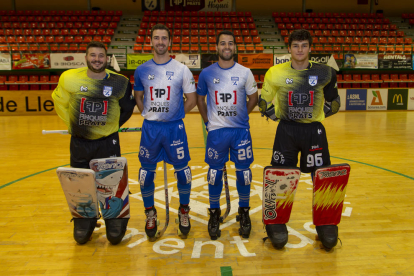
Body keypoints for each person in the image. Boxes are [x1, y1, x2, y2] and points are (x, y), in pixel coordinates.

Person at [259, 29, 341, 250]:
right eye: (296, 46)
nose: (300, 50)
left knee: (322, 177)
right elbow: (263, 102)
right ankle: (276, 222)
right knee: (280, 177)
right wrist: (284, 118)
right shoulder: (275, 72)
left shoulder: (326, 72)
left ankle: (326, 223)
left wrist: (314, 116)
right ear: (289, 49)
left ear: (310, 48)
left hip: (314, 131)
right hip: (286, 131)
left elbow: (334, 103)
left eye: (304, 45)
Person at [52, 41, 136, 245]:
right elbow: (59, 102)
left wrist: (111, 126)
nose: (97, 59)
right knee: (80, 182)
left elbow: (127, 108)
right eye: (93, 55)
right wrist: (74, 125)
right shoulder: (69, 78)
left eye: (101, 56)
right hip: (80, 142)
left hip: (108, 142)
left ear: (106, 59)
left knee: (111, 183)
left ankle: (114, 218)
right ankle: (85, 218)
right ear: (86, 57)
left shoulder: (120, 82)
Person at [133, 24, 196, 239]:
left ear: (169, 42)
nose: (160, 42)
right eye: (156, 38)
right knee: (145, 175)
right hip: (150, 129)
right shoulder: (141, 70)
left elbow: (193, 99)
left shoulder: (182, 69)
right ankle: (150, 213)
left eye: (164, 38)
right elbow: (138, 97)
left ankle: (184, 210)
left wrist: (175, 116)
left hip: (174, 129)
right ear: (150, 41)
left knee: (184, 173)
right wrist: (149, 115)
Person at [196, 30, 258, 240]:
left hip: (240, 131)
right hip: (217, 133)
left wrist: (240, 116)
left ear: (235, 47)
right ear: (216, 47)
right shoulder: (206, 73)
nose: (227, 47)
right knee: (214, 174)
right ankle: (214, 213)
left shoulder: (245, 72)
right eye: (223, 43)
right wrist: (208, 122)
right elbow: (200, 100)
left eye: (230, 43)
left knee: (244, 173)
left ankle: (244, 211)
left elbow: (253, 97)